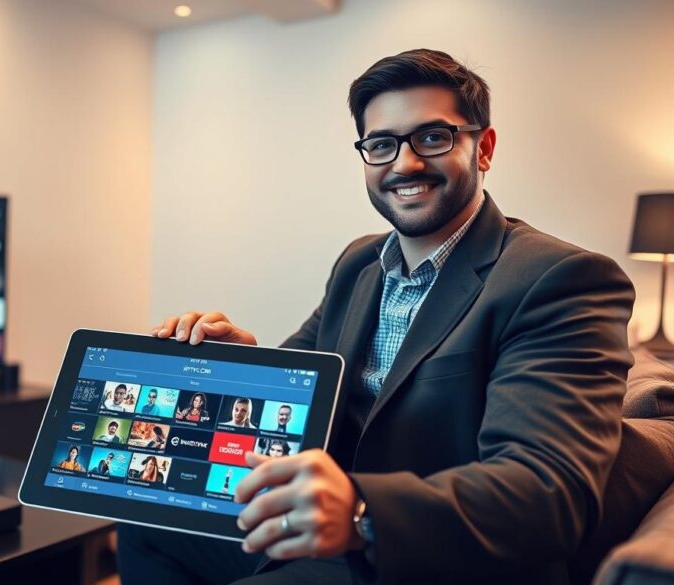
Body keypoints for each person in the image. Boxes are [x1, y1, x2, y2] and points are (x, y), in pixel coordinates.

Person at [119, 49, 635, 585]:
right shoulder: (359, 263)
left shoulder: (560, 279)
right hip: (324, 533)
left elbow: (548, 492)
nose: (405, 164)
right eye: (382, 145)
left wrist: (362, 510)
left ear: (483, 148)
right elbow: (303, 386)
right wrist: (243, 364)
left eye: (433, 137)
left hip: (434, 559)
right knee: (144, 525)